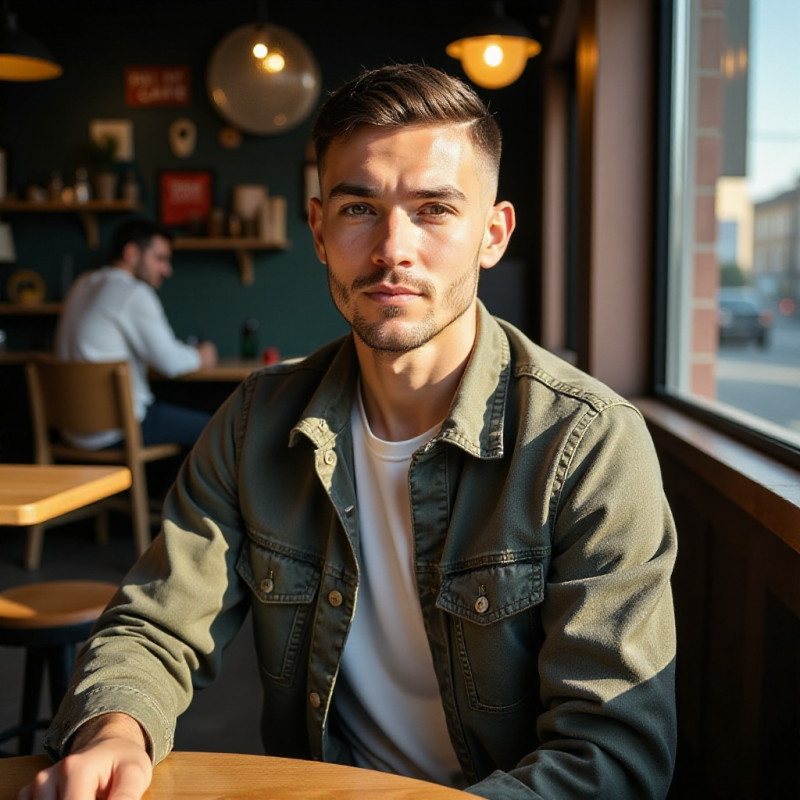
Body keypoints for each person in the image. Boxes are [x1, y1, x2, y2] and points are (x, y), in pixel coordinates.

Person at [23, 64, 677, 800]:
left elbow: (611, 757)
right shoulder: (254, 422)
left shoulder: (588, 444)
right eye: (359, 207)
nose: (392, 248)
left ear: (492, 235)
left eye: (434, 209)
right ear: (319, 229)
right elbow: (156, 624)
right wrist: (116, 730)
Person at [54, 217, 218, 449]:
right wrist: (202, 355)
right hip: (119, 429)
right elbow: (170, 363)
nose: (167, 270)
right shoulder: (133, 292)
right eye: (160, 259)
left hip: (71, 431)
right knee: (219, 431)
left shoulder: (81, 283)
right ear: (131, 253)